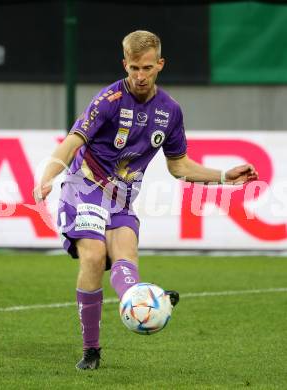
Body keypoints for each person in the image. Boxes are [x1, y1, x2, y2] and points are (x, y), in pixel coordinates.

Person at [33, 30, 258, 370]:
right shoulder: (108, 101)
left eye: (147, 68)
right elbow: (72, 142)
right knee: (93, 257)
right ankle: (91, 350)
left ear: (160, 65)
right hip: (84, 189)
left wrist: (226, 176)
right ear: (125, 64)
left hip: (122, 198)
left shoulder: (170, 111)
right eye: (134, 68)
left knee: (126, 259)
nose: (140, 75)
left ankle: (146, 304)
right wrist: (46, 177)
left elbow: (179, 166)